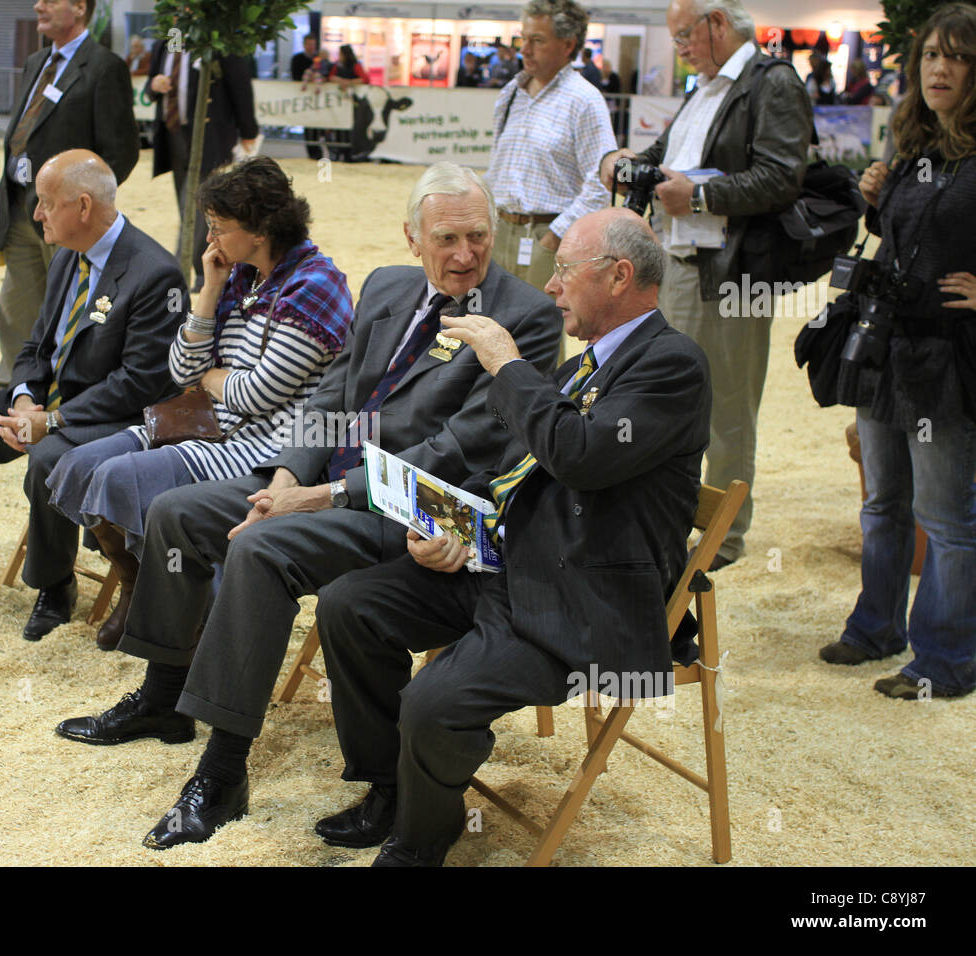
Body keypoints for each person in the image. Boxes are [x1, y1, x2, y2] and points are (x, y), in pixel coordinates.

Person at [54, 163, 563, 851]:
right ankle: (162, 697)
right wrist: (288, 477)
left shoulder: (524, 319)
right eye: (446, 237)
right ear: (412, 237)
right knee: (178, 511)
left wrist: (317, 496)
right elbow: (331, 398)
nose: (464, 254)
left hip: (414, 511)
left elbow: (459, 449)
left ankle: (224, 769)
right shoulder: (387, 286)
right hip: (324, 482)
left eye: (477, 236)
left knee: (257, 549)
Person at [314, 208, 710, 865]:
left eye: (563, 271)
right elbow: (512, 468)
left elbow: (577, 454)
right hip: (509, 567)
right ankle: (394, 790)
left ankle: (421, 838)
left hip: (582, 603)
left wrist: (506, 363)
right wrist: (451, 532)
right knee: (349, 607)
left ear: (618, 277)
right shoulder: (590, 363)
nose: (550, 288)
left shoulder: (671, 365)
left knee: (433, 702)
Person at [45, 157, 352, 651]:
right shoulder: (237, 276)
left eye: (218, 228)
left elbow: (259, 395)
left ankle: (178, 605)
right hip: (207, 420)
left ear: (260, 231)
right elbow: (182, 371)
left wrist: (211, 376)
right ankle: (139, 581)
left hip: (264, 446)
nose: (209, 241)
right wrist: (208, 292)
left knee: (115, 477)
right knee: (76, 465)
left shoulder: (316, 286)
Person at [0, 151, 185, 642]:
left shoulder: (154, 273)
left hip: (113, 417)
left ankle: (54, 585)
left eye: (45, 203)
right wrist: (24, 400)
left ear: (83, 207)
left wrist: (55, 420)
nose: (37, 214)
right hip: (50, 404)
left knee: (47, 457)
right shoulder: (68, 254)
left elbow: (140, 383)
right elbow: (36, 344)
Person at [599, 0, 813, 568]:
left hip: (732, 273)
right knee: (673, 394)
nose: (681, 47)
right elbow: (667, 157)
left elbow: (782, 176)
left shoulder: (771, 82)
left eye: (684, 35)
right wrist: (623, 161)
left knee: (727, 405)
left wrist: (698, 196)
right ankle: (677, 511)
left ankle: (728, 535)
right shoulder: (710, 87)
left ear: (717, 23)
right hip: (679, 263)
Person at [818, 2, 976, 701]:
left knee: (946, 515)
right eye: (931, 56)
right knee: (884, 502)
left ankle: (944, 660)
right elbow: (900, 237)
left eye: (957, 56)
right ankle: (877, 626)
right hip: (887, 346)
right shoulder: (911, 142)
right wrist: (874, 199)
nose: (939, 68)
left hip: (948, 355)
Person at [0, 0, 139, 390]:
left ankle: (68, 396)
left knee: (73, 310)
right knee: (16, 307)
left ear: (78, 7)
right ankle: (15, 390)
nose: (38, 5)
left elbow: (121, 152)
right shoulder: (36, 61)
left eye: (51, 0)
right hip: (22, 210)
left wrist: (84, 208)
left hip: (72, 222)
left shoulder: (105, 67)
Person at [485, 1, 615, 329]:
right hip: (499, 231)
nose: (524, 50)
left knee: (534, 336)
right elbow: (498, 164)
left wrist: (555, 237)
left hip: (545, 234)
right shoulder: (511, 93)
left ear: (568, 44)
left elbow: (602, 182)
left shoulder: (584, 100)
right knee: (488, 328)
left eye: (537, 41)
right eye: (523, 39)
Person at [146, 39, 258, 285]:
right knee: (187, 204)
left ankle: (180, 269)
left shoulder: (219, 44)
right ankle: (199, 267)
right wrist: (153, 85)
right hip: (172, 135)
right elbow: (149, 86)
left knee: (194, 204)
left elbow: (240, 86)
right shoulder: (165, 43)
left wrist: (248, 129)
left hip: (209, 137)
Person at [290, 34, 329, 160]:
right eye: (309, 44)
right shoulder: (297, 59)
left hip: (319, 99)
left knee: (319, 126)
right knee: (308, 126)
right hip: (305, 99)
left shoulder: (319, 60)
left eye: (313, 44)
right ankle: (313, 154)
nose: (311, 47)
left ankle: (320, 152)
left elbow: (326, 73)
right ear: (304, 44)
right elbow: (295, 77)